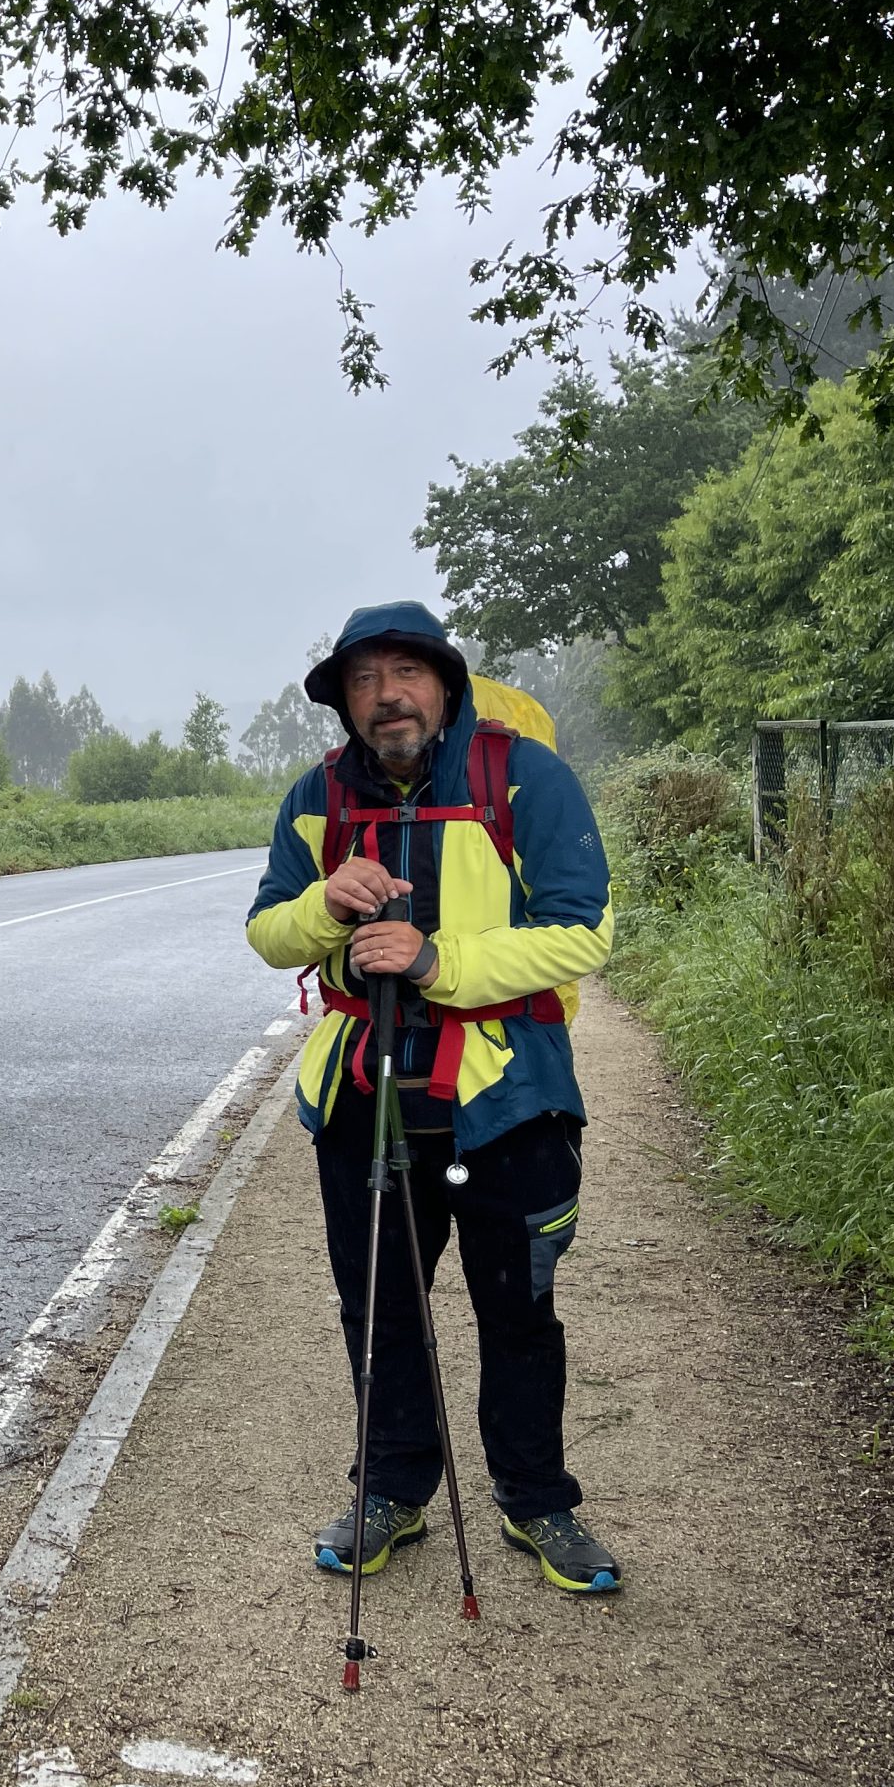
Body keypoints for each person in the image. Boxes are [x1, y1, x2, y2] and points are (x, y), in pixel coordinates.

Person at [244, 602, 622, 1593]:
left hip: (508, 1104)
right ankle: (393, 1490)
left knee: (519, 1314)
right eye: (363, 681)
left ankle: (538, 1504)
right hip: (364, 1100)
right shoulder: (316, 798)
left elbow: (581, 931)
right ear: (344, 703)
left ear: (444, 684)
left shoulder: (524, 779)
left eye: (405, 672)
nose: (386, 696)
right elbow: (265, 933)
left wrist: (434, 959)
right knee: (378, 1313)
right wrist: (323, 904)